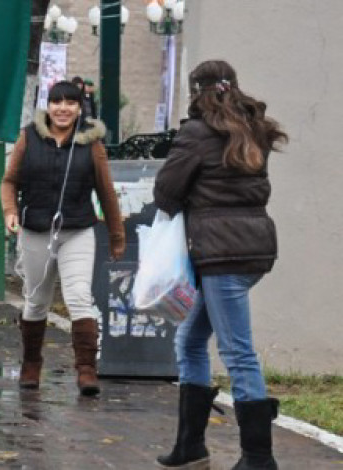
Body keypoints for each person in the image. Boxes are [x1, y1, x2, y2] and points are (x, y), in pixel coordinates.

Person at [154, 60, 287, 470]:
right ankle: (190, 447)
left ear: (196, 91)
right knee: (190, 341)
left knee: (237, 350)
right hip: (251, 249)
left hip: (221, 254)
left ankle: (259, 458)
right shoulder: (253, 127)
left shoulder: (195, 133)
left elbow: (166, 191)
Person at [0, 80, 124, 396]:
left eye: (71, 103)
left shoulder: (91, 144)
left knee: (79, 296)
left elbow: (106, 192)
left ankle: (86, 370)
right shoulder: (29, 137)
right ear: (48, 106)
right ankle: (31, 363)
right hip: (35, 230)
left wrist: (116, 235)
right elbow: (9, 181)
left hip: (77, 230)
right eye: (57, 102)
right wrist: (10, 211)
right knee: (36, 300)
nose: (63, 108)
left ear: (79, 108)